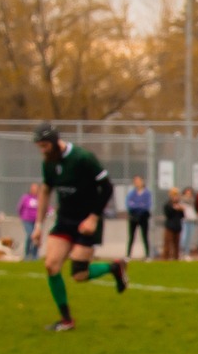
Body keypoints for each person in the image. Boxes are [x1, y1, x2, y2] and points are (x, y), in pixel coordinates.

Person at [32, 122, 128, 330]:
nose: (42, 151)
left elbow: (107, 187)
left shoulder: (83, 158)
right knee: (51, 265)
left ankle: (114, 267)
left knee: (79, 275)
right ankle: (66, 320)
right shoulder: (48, 162)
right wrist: (38, 225)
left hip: (87, 221)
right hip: (65, 220)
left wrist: (93, 217)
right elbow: (46, 191)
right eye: (39, 146)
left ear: (55, 141)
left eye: (44, 146)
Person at [124, 176, 154, 259]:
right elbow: (129, 204)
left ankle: (147, 255)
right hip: (133, 217)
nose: (137, 183)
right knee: (131, 236)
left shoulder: (147, 193)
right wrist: (138, 205)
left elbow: (147, 205)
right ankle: (128, 255)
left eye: (138, 181)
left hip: (143, 217)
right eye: (135, 181)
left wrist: (137, 205)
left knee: (145, 236)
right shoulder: (132, 193)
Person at [161, 187, 186, 261]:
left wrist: (181, 209)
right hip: (169, 226)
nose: (175, 197)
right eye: (174, 195)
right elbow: (168, 214)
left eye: (177, 195)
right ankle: (165, 259)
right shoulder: (167, 205)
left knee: (177, 245)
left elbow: (182, 216)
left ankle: (176, 259)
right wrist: (174, 208)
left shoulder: (180, 205)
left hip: (177, 227)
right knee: (167, 244)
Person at [19, 183, 41, 259]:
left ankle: (35, 254)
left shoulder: (40, 198)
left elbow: (46, 207)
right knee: (30, 235)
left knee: (36, 237)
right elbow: (20, 207)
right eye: (33, 188)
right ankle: (28, 253)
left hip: (37, 220)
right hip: (27, 220)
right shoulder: (26, 198)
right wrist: (21, 216)